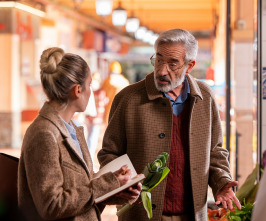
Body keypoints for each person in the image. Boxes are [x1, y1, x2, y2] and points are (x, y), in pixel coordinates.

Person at [98, 29, 241, 221]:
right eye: (158, 60)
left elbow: (215, 151)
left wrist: (222, 183)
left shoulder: (204, 98)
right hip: (142, 215)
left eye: (172, 63)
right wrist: (124, 184)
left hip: (192, 213)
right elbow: (109, 153)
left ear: (189, 66)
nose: (162, 70)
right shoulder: (128, 99)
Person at [18, 47, 141, 221]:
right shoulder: (44, 134)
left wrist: (118, 192)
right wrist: (108, 183)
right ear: (77, 90)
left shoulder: (73, 130)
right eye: (89, 85)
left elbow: (82, 193)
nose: (91, 91)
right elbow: (52, 205)